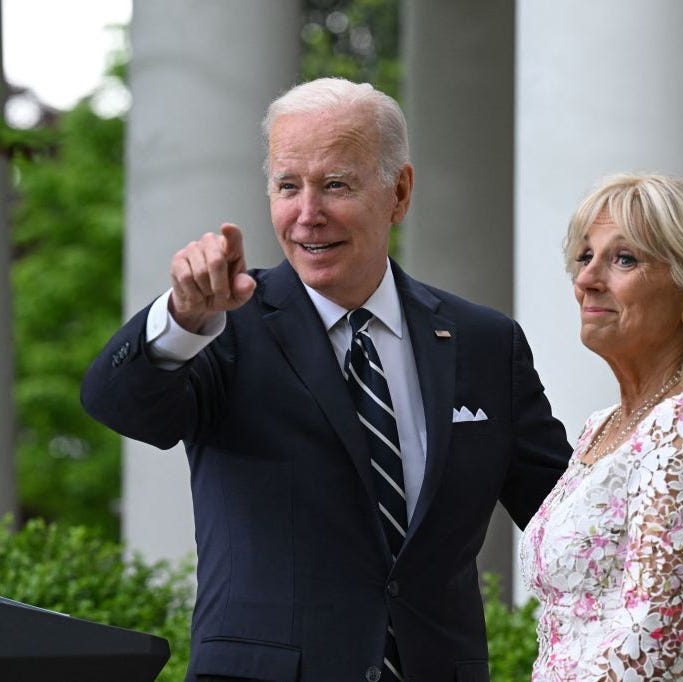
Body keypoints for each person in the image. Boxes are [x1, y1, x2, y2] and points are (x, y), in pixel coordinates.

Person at [81, 77, 571, 682]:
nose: (307, 215)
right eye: (288, 186)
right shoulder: (224, 328)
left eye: (335, 184)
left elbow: (570, 519)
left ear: (400, 191)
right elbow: (118, 404)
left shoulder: (484, 343)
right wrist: (181, 319)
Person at [519, 173, 683, 680]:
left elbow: (652, 643)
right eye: (585, 257)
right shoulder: (604, 426)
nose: (587, 280)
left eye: (624, 259)